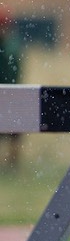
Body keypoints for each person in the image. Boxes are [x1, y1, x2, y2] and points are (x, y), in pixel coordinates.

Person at [0, 9, 23, 171]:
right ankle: (12, 165)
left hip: (11, 95)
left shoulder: (10, 48)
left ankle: (13, 164)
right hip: (12, 95)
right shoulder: (12, 47)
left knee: (15, 131)